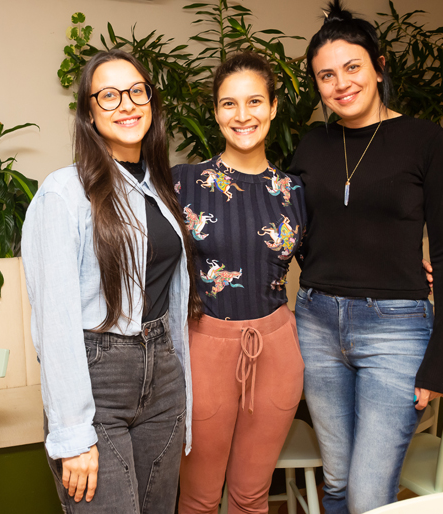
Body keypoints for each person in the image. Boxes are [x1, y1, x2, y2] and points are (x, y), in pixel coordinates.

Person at [289, 0, 443, 514]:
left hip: (397, 332)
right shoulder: (311, 144)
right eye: (326, 75)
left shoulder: (425, 140)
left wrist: (440, 362)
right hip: (317, 323)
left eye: (352, 67)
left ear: (379, 67)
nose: (340, 84)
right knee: (338, 482)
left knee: (368, 494)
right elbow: (289, 232)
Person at [22, 49, 201, 514]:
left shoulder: (159, 188)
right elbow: (55, 323)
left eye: (137, 91)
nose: (127, 104)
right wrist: (72, 435)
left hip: (163, 376)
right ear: (89, 113)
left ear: (151, 101)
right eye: (109, 95)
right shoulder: (63, 193)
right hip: (96, 377)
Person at [173, 52, 307, 514]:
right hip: (204, 349)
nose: (242, 115)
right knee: (199, 498)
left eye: (254, 101)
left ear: (273, 107)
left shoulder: (295, 191)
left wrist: (405, 266)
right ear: (215, 112)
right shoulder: (182, 183)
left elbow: (329, 261)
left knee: (252, 497)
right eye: (229, 103)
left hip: (277, 350)